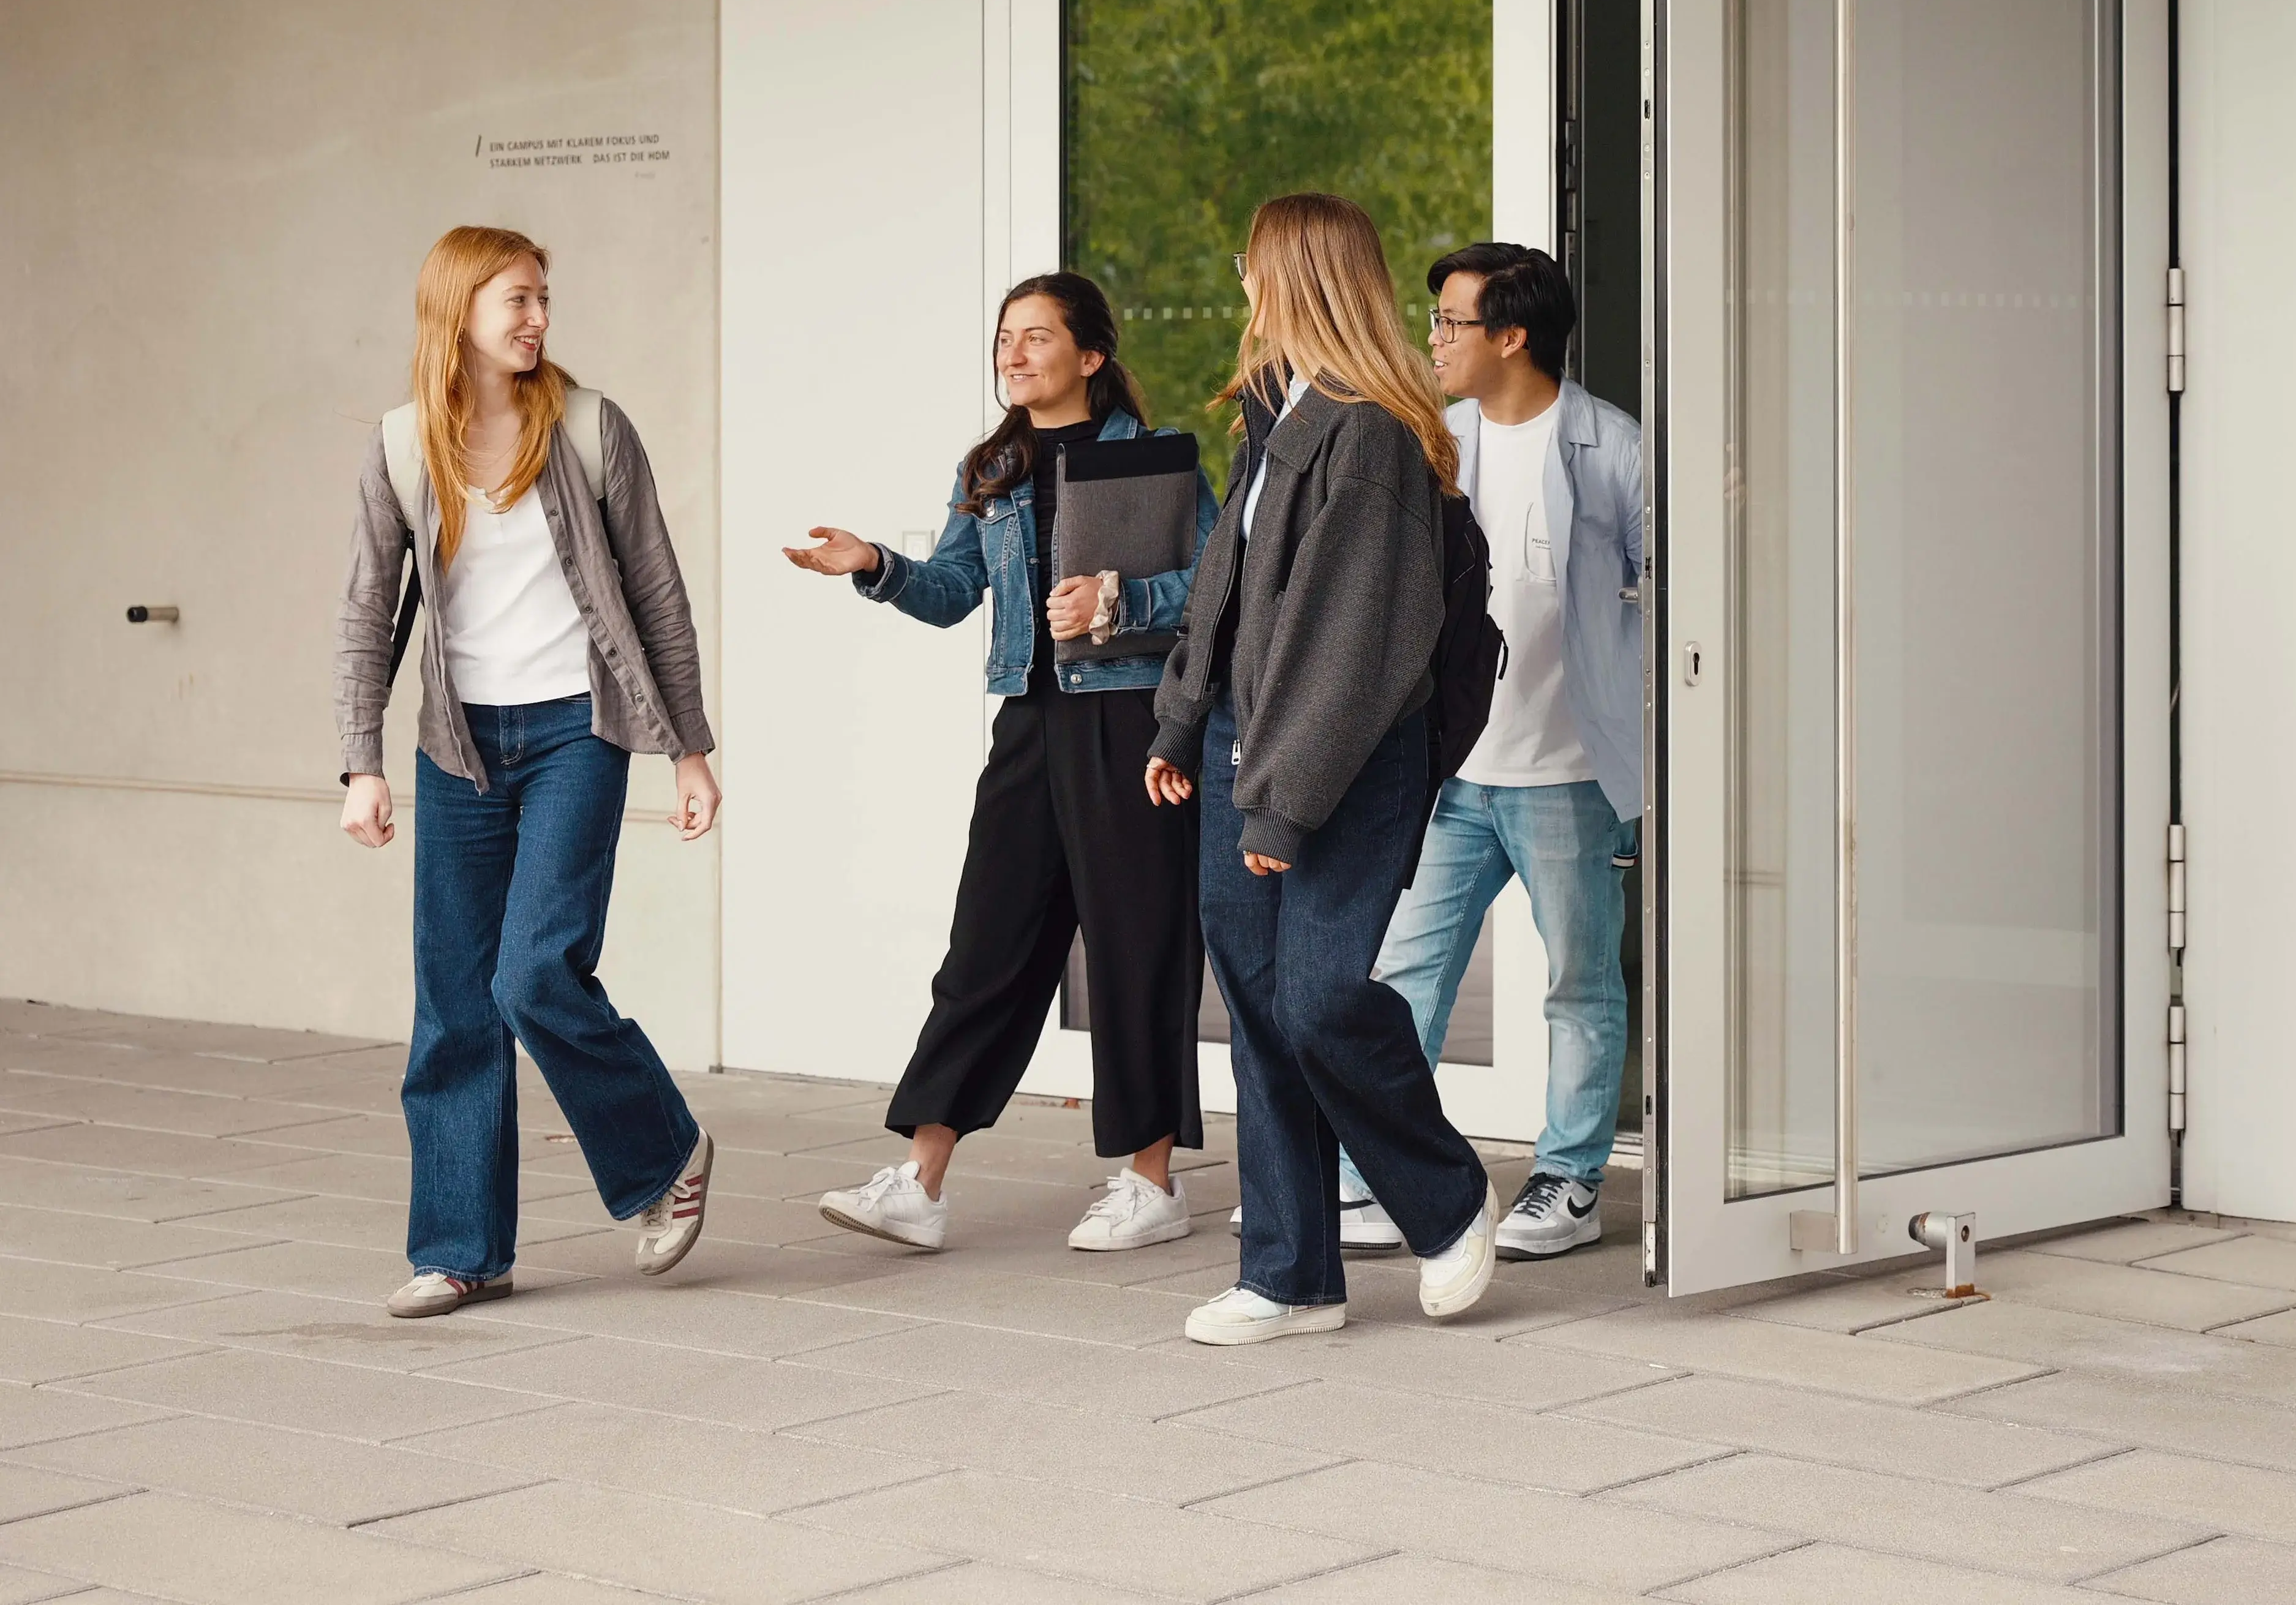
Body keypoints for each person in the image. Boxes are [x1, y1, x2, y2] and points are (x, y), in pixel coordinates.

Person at [335, 225, 721, 1321]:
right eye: (516, 299)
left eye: (543, 297)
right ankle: (462, 1248)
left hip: (574, 733)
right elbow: (368, 611)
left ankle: (664, 1154)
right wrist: (359, 762)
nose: (536, 316)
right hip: (459, 745)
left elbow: (657, 594)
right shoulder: (403, 445)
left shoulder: (592, 427)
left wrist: (691, 750)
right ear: (458, 309)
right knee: (455, 1004)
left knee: (533, 973)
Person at [788, 273, 1217, 1255]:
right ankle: (921, 1179)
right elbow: (948, 593)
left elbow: (1216, 583)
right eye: (1004, 338)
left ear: (1092, 356)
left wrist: (1120, 599)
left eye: (1036, 337)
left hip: (1132, 725)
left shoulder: (1152, 463)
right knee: (988, 946)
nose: (1013, 354)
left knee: (1136, 950)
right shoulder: (992, 466)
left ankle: (1152, 1181)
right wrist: (872, 565)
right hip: (1031, 725)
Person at [1147, 193, 1497, 1345]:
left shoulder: (1372, 433)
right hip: (1246, 746)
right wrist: (1179, 722)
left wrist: (1283, 802)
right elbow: (1227, 589)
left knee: (1321, 997)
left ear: (1293, 276)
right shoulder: (1276, 412)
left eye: (1252, 264)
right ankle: (1290, 1272)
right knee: (1259, 1009)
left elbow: (1353, 641)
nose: (1243, 282)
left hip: (1337, 760)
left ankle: (1445, 1197)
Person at [1338, 243, 1643, 1260]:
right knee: (1401, 977)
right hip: (1450, 773)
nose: (1433, 338)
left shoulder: (1615, 449)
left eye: (1450, 322)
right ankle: (1387, 1175)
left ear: (1511, 335)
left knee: (1581, 983)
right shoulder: (1434, 442)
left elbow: (1679, 598)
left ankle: (1570, 1178)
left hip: (1569, 776)